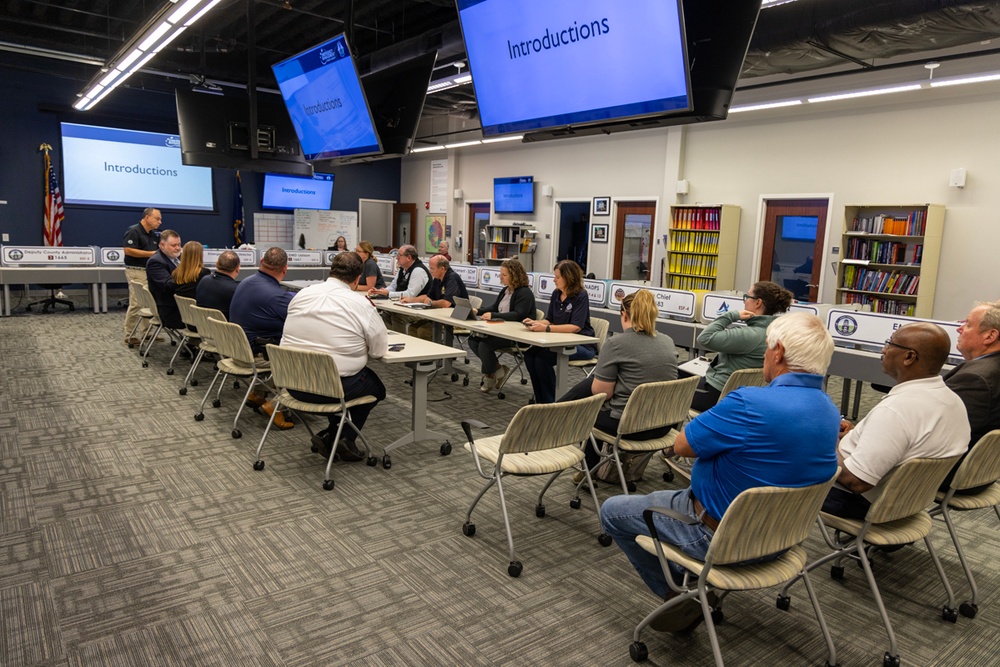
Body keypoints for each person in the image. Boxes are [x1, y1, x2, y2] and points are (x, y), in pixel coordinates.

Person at [601, 313, 840, 633]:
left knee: (612, 511)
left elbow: (683, 445)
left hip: (715, 535)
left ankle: (678, 596)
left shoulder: (749, 402)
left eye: (768, 348)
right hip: (783, 538)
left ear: (779, 352)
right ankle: (689, 583)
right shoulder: (829, 410)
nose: (766, 355)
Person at [822, 322, 970, 520]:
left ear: (909, 356)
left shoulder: (896, 410)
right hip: (906, 503)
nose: (884, 349)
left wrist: (826, 441)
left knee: (778, 463)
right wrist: (855, 436)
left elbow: (856, 481)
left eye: (889, 344)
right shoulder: (953, 402)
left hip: (855, 501)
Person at [281, 252, 388, 462]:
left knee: (345, 382)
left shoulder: (302, 295)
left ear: (331, 271)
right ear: (358, 279)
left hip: (292, 383)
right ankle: (342, 438)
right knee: (375, 387)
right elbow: (378, 351)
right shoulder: (360, 304)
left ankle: (332, 434)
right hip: (331, 389)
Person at [559, 289, 678, 473]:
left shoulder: (615, 344)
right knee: (593, 387)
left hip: (628, 426)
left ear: (624, 315)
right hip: (663, 425)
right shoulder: (668, 341)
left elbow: (602, 392)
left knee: (591, 407)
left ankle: (588, 472)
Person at [690, 281, 793, 412]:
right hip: (747, 397)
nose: (744, 302)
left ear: (758, 302)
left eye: (747, 297)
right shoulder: (777, 333)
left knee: (670, 393)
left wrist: (731, 315)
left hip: (718, 395)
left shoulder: (749, 335)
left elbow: (705, 338)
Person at [229, 247, 295, 430]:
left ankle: (257, 394)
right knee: (305, 359)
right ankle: (276, 405)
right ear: (284, 269)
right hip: (257, 355)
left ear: (260, 263)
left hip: (237, 350)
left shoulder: (245, 282)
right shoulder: (277, 296)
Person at [942, 300, 1000, 492]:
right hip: (986, 470)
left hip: (954, 474)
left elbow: (938, 434)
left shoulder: (975, 378)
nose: (959, 329)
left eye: (967, 324)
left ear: (990, 336)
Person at [523, 260, 596, 404]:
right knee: (530, 355)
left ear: (568, 278)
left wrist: (547, 328)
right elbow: (550, 319)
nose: (554, 280)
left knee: (542, 359)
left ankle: (551, 402)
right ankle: (540, 400)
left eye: (557, 277)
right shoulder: (556, 294)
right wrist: (536, 323)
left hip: (582, 345)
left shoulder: (581, 296)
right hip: (558, 341)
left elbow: (575, 327)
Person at [470, 258, 536, 392]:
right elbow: (495, 307)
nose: (501, 277)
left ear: (514, 276)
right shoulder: (506, 290)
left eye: (504, 275)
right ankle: (498, 369)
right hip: (500, 330)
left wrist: (494, 316)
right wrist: (478, 311)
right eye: (501, 274)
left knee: (484, 344)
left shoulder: (524, 293)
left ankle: (490, 375)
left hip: (516, 335)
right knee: (473, 340)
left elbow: (518, 315)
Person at [401, 255, 469, 340]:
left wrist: (431, 303)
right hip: (438, 315)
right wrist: (412, 300)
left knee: (423, 331)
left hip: (455, 319)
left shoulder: (452, 278)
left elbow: (446, 303)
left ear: (442, 269)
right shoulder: (437, 278)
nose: (430, 271)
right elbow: (428, 297)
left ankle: (432, 352)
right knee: (413, 328)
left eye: (432, 268)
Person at [123, 207, 162, 344]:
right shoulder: (134, 231)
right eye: (157, 219)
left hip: (149, 271)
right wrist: (150, 255)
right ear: (147, 217)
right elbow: (128, 250)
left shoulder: (154, 234)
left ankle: (146, 333)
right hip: (136, 271)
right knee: (136, 302)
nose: (160, 222)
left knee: (148, 302)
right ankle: (129, 335)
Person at [162, 241, 210, 330]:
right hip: (200, 319)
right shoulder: (204, 273)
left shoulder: (176, 273)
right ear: (199, 255)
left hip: (183, 316)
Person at [145, 229, 182, 330]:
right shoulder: (156, 262)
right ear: (162, 245)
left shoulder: (178, 258)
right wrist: (189, 280)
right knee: (206, 314)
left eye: (179, 245)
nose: (178, 248)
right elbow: (168, 285)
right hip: (169, 309)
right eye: (174, 245)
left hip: (177, 303)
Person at [195, 250, 241, 320]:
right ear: (238, 269)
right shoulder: (236, 290)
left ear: (216, 264)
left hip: (203, 327)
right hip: (225, 330)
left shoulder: (204, 280)